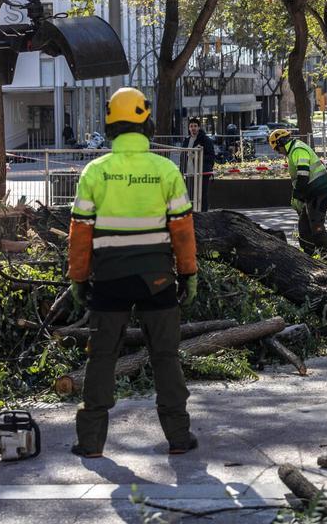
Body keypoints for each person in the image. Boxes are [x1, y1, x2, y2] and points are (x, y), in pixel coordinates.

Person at [67, 87, 199, 458]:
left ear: (111, 124)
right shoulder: (165, 169)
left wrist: (79, 278)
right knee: (166, 357)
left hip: (109, 281)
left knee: (101, 359)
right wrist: (188, 274)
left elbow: (80, 233)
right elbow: (182, 230)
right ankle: (178, 437)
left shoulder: (96, 171)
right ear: (146, 122)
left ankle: (90, 442)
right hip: (157, 279)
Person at [268, 129, 327, 276]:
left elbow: (303, 176)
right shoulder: (294, 150)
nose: (279, 153)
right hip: (313, 192)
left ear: (280, 143)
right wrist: (299, 196)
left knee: (316, 226)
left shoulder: (297, 150)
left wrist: (297, 196)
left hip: (319, 191)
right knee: (304, 227)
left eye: (277, 149)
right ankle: (309, 260)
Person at [184, 117, 216, 211]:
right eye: (191, 126)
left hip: (202, 172)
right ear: (189, 128)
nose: (193, 128)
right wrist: (182, 169)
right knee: (190, 195)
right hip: (189, 172)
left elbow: (211, 156)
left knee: (202, 195)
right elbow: (183, 155)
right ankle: (193, 213)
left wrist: (198, 157)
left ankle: (203, 214)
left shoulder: (205, 140)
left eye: (195, 126)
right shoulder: (186, 140)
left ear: (199, 127)